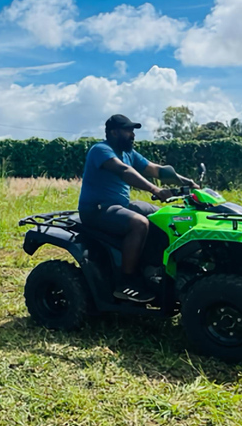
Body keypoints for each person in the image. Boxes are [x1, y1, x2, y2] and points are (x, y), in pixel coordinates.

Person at [78, 114, 198, 303]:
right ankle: (126, 283)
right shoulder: (100, 150)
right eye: (128, 130)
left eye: (133, 131)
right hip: (96, 209)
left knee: (161, 216)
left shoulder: (129, 153)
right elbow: (124, 171)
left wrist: (189, 182)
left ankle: (153, 269)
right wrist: (154, 189)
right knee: (139, 223)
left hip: (120, 206)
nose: (133, 135)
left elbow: (157, 170)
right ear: (114, 132)